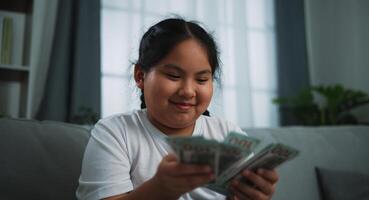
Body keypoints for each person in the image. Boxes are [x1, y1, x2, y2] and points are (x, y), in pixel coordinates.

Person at [76, 18, 279, 200]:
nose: (188, 91)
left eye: (201, 79)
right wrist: (158, 189)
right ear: (140, 76)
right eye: (173, 76)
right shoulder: (115, 132)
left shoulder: (227, 133)